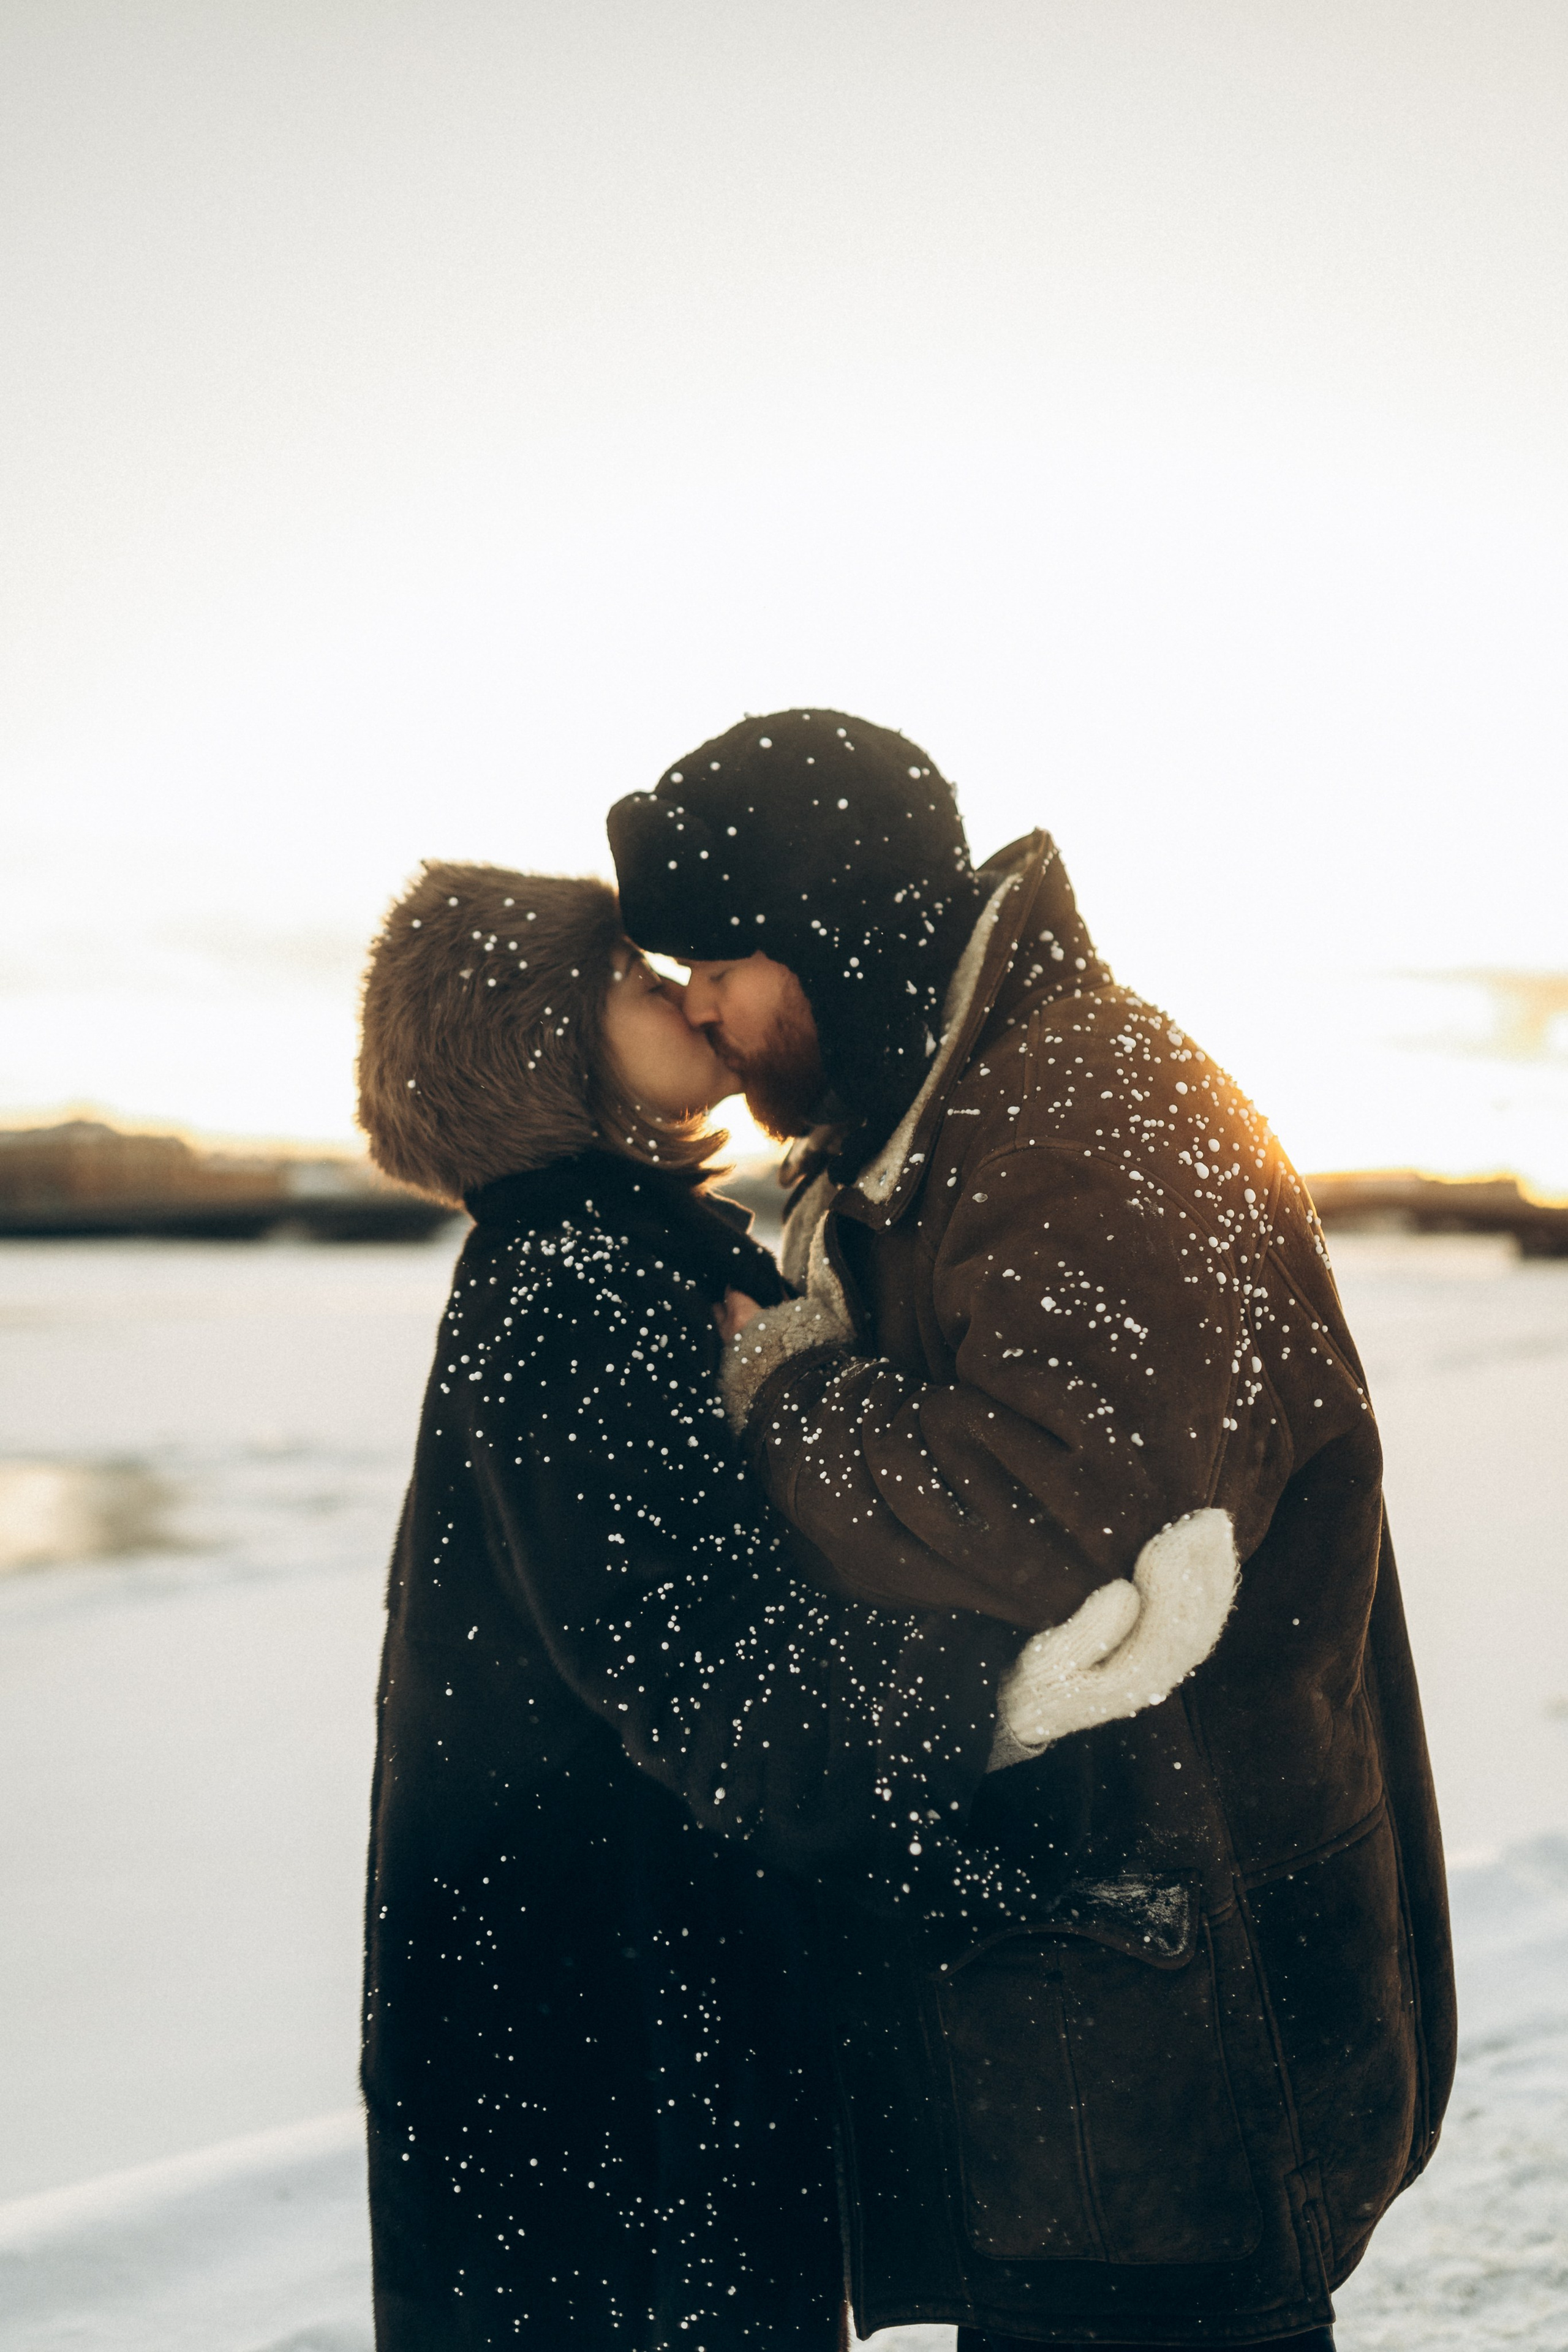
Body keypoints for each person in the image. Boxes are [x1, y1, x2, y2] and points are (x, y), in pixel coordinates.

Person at [608, 709, 1457, 2351]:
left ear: (835, 930)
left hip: (1176, 2043)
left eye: (718, 952)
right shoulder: (956, 1109)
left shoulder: (1086, 1106)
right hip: (1089, 2018)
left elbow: (1044, 1513)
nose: (698, 999)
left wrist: (783, 1390)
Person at [355, 859, 1099, 2352]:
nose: (679, 989)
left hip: (603, 2001)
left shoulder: (615, 1250)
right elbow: (706, 1675)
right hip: (595, 2047)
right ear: (538, 1036)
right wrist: (1007, 1692)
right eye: (629, 977)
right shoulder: (575, 1283)